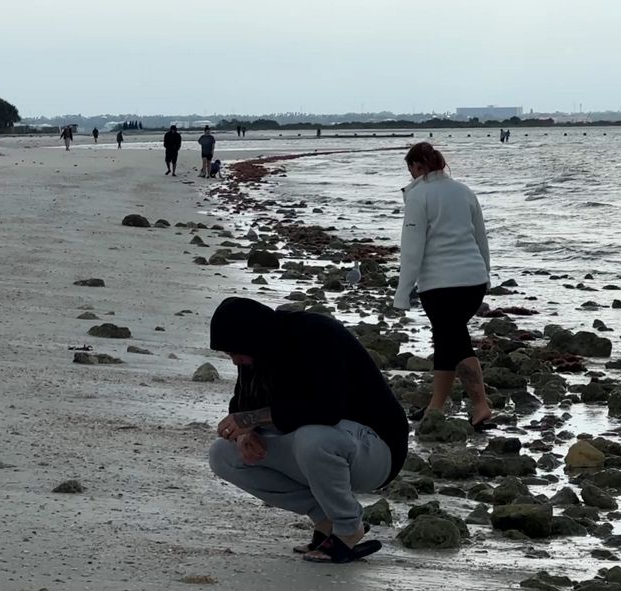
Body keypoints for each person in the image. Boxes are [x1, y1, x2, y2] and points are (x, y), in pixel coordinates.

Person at [207, 298, 409, 564]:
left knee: (313, 437)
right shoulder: (258, 355)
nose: (235, 361)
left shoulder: (316, 334)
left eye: (236, 352)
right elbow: (243, 405)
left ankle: (349, 527)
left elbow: (326, 409)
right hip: (324, 446)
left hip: (376, 451)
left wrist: (254, 418)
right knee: (224, 453)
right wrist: (245, 433)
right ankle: (325, 517)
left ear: (253, 336)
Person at [392, 142, 493, 428]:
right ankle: (435, 407)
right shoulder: (464, 192)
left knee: (456, 343)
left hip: (440, 285)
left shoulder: (418, 196)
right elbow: (481, 239)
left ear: (417, 167)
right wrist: (486, 275)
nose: (410, 175)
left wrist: (402, 294)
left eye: (410, 169)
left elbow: (412, 249)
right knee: (447, 341)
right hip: (472, 281)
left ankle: (481, 405)